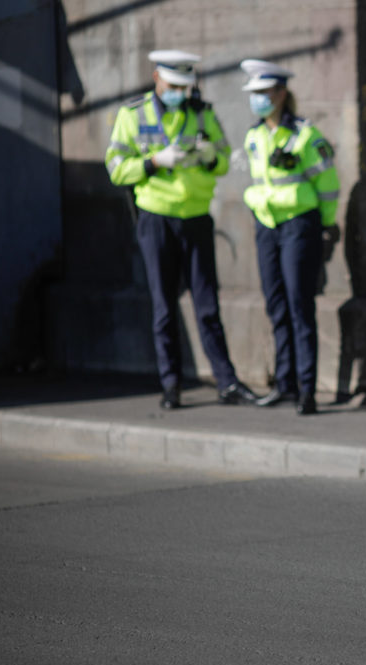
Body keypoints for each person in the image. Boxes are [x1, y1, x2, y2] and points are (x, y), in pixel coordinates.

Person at [105, 50, 259, 410]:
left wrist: (209, 157)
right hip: (156, 217)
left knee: (208, 305)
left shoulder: (202, 112)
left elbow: (223, 160)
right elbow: (115, 167)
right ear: (157, 78)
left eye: (186, 87)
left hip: (196, 217)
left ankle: (227, 382)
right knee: (163, 307)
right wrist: (154, 162)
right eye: (173, 85)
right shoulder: (132, 114)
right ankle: (171, 385)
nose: (180, 93)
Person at [239, 60, 341, 416]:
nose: (258, 101)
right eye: (253, 95)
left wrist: (327, 225)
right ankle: (285, 383)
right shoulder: (254, 136)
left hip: (300, 224)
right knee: (276, 304)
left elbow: (327, 184)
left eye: (263, 94)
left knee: (300, 305)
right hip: (267, 225)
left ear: (281, 94)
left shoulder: (304, 135)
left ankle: (307, 389)